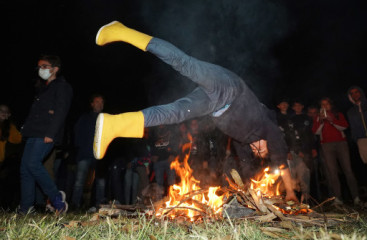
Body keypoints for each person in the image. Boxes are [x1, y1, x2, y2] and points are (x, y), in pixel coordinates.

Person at [92, 21, 298, 202]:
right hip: (228, 87)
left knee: (176, 113)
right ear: (268, 144)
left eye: (258, 153)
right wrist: (290, 192)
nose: (256, 151)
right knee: (184, 64)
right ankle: (121, 31)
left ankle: (116, 124)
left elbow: (245, 170)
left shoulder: (243, 142)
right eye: (261, 150)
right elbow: (281, 163)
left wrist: (251, 193)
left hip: (213, 105)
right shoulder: (268, 126)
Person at [19, 54, 73, 214]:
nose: (40, 70)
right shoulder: (43, 88)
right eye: (39, 66)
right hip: (33, 132)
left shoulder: (62, 86)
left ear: (55, 69)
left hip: (46, 133)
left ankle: (57, 198)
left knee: (33, 164)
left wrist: (51, 133)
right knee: (25, 168)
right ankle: (26, 208)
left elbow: (61, 111)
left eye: (44, 66)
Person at [312, 97, 361, 206]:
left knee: (348, 170)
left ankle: (356, 197)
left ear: (331, 105)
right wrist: (321, 121)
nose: (325, 106)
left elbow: (344, 127)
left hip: (341, 143)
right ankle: (338, 199)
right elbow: (316, 131)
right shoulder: (317, 117)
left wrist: (331, 119)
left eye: (327, 104)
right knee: (332, 172)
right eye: (322, 104)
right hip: (326, 145)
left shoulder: (338, 114)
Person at [71, 94, 106, 211]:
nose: (99, 104)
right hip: (85, 153)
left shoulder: (106, 118)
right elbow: (77, 132)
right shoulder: (85, 117)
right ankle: (75, 206)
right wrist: (80, 147)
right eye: (97, 101)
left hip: (100, 155)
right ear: (92, 104)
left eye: (101, 102)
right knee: (79, 181)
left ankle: (99, 206)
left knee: (101, 182)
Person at [283, 99, 314, 203]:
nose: (298, 107)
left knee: (305, 175)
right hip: (294, 151)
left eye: (299, 105)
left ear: (302, 106)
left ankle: (306, 200)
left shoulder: (307, 118)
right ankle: (293, 200)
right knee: (293, 175)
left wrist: (313, 148)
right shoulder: (290, 119)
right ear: (293, 108)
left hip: (307, 150)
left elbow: (311, 134)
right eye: (295, 106)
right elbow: (290, 136)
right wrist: (295, 150)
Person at [0, 104, 23, 208]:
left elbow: (18, 139)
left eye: (6, 112)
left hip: (2, 162)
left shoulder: (9, 127)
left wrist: (10, 125)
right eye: (1, 111)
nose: (3, 113)